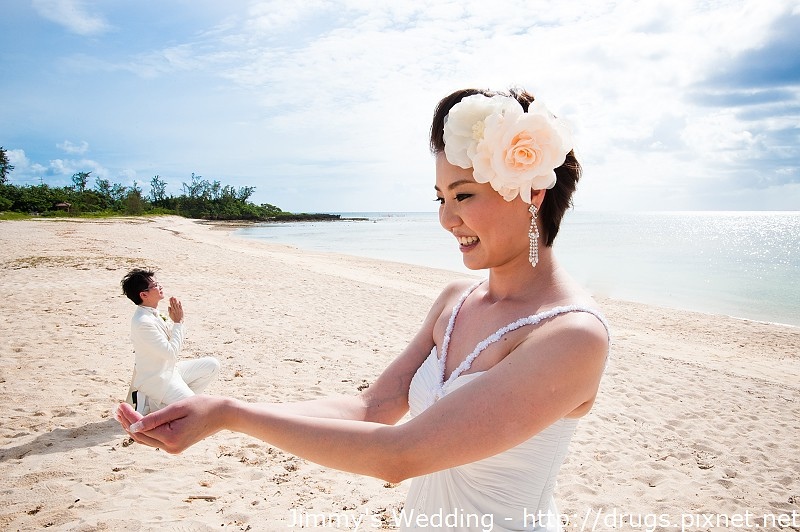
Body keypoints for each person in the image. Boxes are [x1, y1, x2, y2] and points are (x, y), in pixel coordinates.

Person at [116, 88, 610, 531]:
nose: (446, 219)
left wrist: (229, 414)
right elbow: (372, 408)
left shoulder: (571, 335)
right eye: (439, 197)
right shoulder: (455, 300)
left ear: (533, 193)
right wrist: (212, 413)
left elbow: (399, 454)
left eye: (463, 196)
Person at [120, 268, 220, 415]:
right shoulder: (143, 322)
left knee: (212, 365)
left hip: (171, 371)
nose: (160, 286)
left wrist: (176, 322)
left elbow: (173, 341)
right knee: (196, 409)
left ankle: (171, 405)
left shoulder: (154, 313)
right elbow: (171, 353)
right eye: (155, 285)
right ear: (143, 294)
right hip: (157, 381)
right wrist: (178, 323)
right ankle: (155, 403)